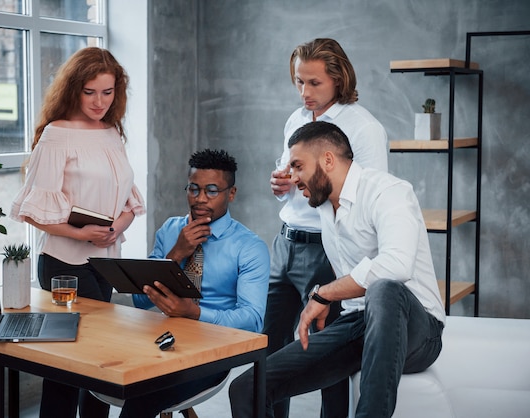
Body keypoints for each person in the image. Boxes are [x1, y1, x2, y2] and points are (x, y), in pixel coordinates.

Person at [230, 121, 445, 418]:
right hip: (359, 325)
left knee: (384, 288)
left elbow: (396, 265)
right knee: (247, 388)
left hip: (418, 332)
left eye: (297, 166)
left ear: (328, 160)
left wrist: (323, 294)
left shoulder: (389, 191)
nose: (292, 177)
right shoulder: (324, 209)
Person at [10, 46, 146, 418]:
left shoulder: (111, 132)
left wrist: (118, 225)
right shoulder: (58, 135)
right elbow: (32, 213)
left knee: (83, 367)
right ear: (73, 89)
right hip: (64, 264)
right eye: (90, 92)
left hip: (105, 264)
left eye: (108, 92)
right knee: (78, 366)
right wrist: (84, 235)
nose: (100, 101)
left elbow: (128, 202)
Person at [265, 38, 388, 418]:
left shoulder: (364, 128)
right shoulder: (296, 119)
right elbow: (289, 184)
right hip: (284, 244)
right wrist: (281, 188)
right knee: (269, 348)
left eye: (314, 83)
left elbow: (371, 197)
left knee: (328, 358)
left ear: (338, 78)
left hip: (328, 251)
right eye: (299, 82)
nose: (305, 92)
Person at [119, 148, 270, 418]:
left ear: (231, 194)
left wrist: (194, 313)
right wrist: (175, 254)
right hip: (160, 342)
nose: (200, 199)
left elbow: (253, 320)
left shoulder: (249, 247)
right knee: (98, 376)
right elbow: (139, 300)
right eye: (193, 189)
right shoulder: (169, 230)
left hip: (211, 352)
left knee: (141, 398)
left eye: (212, 191)